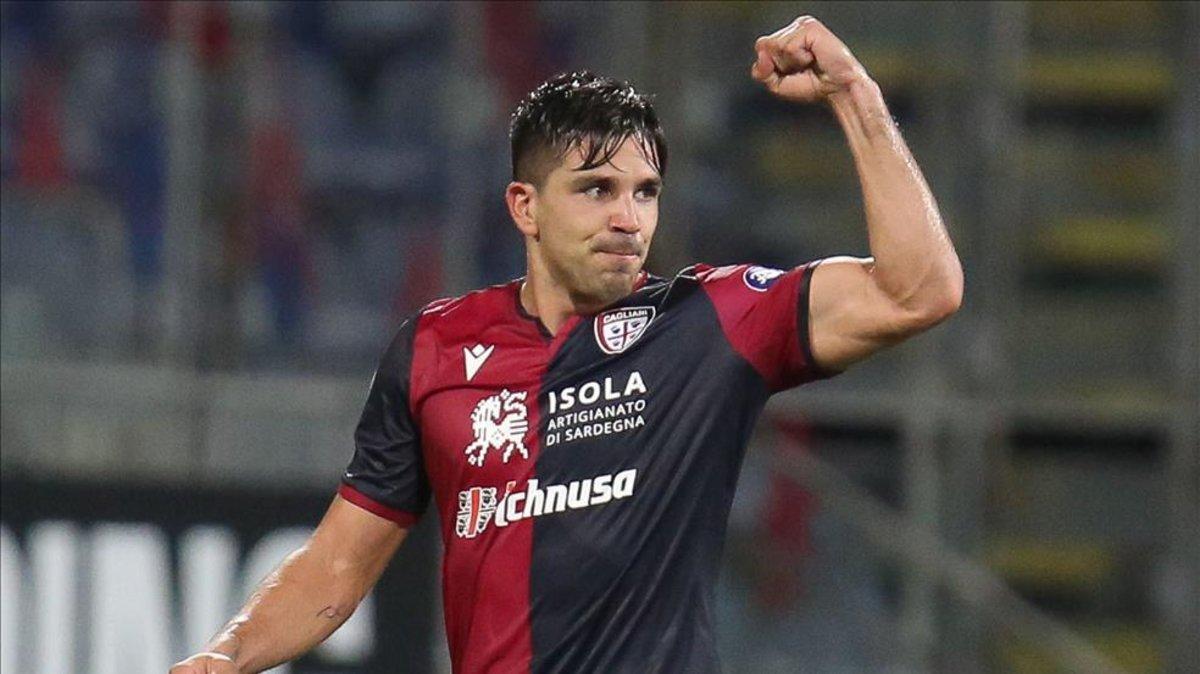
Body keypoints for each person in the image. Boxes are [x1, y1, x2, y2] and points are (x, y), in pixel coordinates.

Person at [171, 15, 962, 674]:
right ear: (525, 206)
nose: (629, 218)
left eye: (645, 192)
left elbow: (918, 290)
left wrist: (855, 94)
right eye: (596, 190)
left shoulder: (710, 321)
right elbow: (339, 566)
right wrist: (227, 656)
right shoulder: (435, 349)